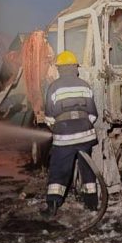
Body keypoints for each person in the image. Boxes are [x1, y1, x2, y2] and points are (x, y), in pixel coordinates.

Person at [41, 50, 99, 217]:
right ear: (75, 68)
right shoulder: (85, 85)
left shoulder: (54, 87)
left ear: (59, 68)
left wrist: (60, 129)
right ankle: (92, 204)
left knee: (59, 170)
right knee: (87, 169)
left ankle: (53, 205)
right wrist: (81, 127)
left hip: (64, 137)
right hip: (85, 135)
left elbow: (49, 118)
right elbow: (93, 114)